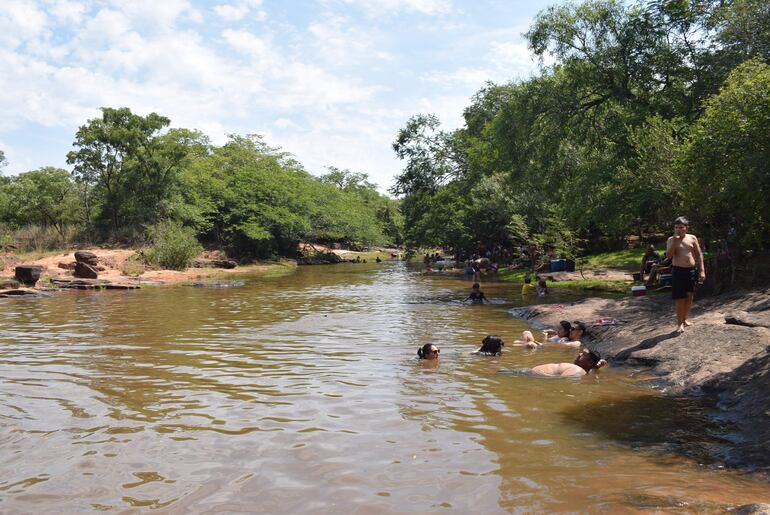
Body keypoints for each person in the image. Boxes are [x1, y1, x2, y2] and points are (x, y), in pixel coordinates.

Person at [666, 216, 706, 333]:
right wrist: (675, 241)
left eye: (681, 227)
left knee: (689, 296)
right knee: (680, 298)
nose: (679, 229)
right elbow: (668, 256)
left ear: (686, 228)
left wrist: (702, 270)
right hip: (678, 271)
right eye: (676, 227)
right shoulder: (670, 240)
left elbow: (699, 255)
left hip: (691, 271)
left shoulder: (692, 238)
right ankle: (679, 324)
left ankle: (684, 319)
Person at [530, 348, 607, 377]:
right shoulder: (581, 370)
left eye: (583, 354)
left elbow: (561, 380)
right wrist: (595, 367)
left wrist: (540, 373)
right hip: (532, 374)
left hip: (534, 375)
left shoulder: (577, 370)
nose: (579, 354)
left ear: (590, 363)